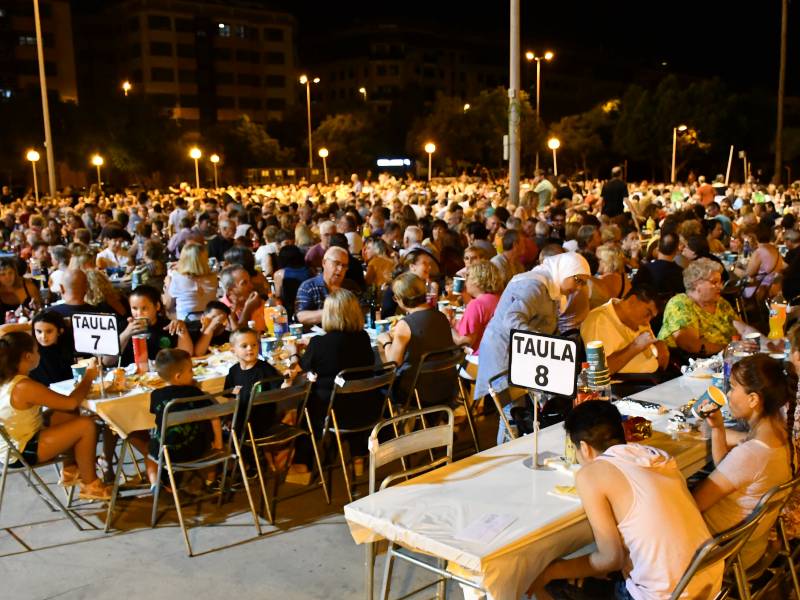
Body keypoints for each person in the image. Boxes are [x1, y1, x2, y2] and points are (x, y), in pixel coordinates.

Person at [528, 401, 722, 600]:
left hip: (667, 595)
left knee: (552, 579)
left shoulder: (591, 474)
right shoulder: (657, 456)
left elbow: (611, 558)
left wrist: (550, 571)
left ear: (584, 448)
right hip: (710, 582)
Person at [693, 354, 794, 568]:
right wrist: (718, 429)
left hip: (720, 553)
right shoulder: (781, 436)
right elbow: (731, 473)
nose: (728, 395)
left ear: (753, 399)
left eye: (732, 387)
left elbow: (695, 504)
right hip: (749, 548)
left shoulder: (752, 454)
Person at [0, 332, 111, 500]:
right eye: (37, 351)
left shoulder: (8, 379)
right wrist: (88, 377)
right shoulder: (23, 386)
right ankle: (91, 484)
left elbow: (67, 406)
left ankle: (70, 469)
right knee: (86, 425)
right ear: (28, 356)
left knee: (68, 413)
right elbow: (71, 401)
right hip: (20, 452)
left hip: (13, 443)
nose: (39, 355)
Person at [475, 252, 591, 401]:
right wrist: (542, 343)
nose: (579, 288)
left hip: (518, 354)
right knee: (513, 411)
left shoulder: (551, 288)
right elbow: (511, 319)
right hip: (504, 352)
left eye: (584, 283)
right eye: (578, 280)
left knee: (520, 411)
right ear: (565, 270)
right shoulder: (534, 286)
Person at [295, 289, 375, 475]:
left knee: (304, 405)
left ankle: (302, 461)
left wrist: (293, 353)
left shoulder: (318, 343)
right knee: (352, 392)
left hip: (333, 411)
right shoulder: (363, 338)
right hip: (365, 407)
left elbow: (302, 367)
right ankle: (357, 455)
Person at [145, 348, 223, 488]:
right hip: (198, 449)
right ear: (178, 376)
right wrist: (218, 443)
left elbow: (154, 416)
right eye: (190, 371)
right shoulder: (195, 392)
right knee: (209, 444)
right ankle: (211, 479)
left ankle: (155, 483)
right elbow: (214, 415)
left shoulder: (155, 395)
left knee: (149, 454)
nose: (193, 374)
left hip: (166, 453)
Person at [378, 273, 456, 408]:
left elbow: (393, 362)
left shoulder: (405, 324)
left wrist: (386, 340)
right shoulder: (441, 316)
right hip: (447, 387)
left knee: (379, 387)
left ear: (400, 298)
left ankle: (400, 427)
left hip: (417, 393)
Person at [658, 258, 756, 360]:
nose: (721, 287)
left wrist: (767, 343)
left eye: (720, 282)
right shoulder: (680, 303)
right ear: (696, 284)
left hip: (727, 358)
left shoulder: (720, 303)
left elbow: (743, 329)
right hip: (693, 365)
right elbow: (690, 344)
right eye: (714, 282)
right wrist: (729, 348)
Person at [581, 285, 670, 375]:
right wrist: (635, 346)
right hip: (626, 385)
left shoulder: (639, 320)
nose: (647, 321)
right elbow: (598, 371)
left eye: (651, 317)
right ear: (632, 300)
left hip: (653, 378)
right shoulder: (598, 320)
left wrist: (659, 344)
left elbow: (650, 343)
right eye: (648, 313)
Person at [224, 328, 282, 455]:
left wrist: (288, 381)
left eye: (254, 345)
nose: (250, 348)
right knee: (224, 431)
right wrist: (230, 417)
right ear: (233, 350)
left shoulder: (265, 369)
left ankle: (251, 465)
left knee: (236, 433)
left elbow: (279, 390)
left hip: (262, 419)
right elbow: (231, 397)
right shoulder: (233, 372)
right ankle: (244, 463)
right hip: (241, 418)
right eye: (244, 346)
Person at [117, 285, 193, 367]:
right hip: (131, 376)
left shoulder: (168, 326)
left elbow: (187, 354)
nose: (139, 313)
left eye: (144, 308)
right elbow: (107, 361)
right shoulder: (124, 326)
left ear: (157, 306)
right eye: (134, 308)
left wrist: (182, 330)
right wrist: (126, 334)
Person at [451, 260, 503, 354]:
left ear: (477, 280)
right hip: (496, 357)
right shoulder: (499, 298)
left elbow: (464, 343)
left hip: (476, 362)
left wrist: (447, 325)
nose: (465, 281)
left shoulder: (477, 304)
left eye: (468, 276)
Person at [295, 246, 348, 326]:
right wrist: (333, 312)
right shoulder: (308, 287)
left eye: (344, 266)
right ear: (324, 263)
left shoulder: (350, 287)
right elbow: (301, 316)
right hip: (317, 335)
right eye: (336, 263)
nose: (340, 269)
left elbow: (362, 310)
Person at [164, 243, 218, 320]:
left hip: (186, 324)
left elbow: (168, 305)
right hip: (209, 322)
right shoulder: (213, 278)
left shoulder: (177, 278)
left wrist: (168, 285)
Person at [28, 310, 75, 385]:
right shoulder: (33, 352)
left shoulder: (70, 344)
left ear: (60, 331)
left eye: (49, 331)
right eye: (39, 331)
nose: (43, 336)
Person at [219, 264, 265, 332]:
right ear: (230, 290)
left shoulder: (257, 302)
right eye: (244, 283)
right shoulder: (221, 309)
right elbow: (238, 337)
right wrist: (247, 310)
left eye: (249, 281)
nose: (251, 286)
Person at [272, 244, 310, 321]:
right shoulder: (310, 271)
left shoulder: (279, 274)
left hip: (288, 311)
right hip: (308, 307)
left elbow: (278, 296)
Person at [0, 256, 40, 322]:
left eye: (10, 273)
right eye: (3, 274)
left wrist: (36, 308)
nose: (8, 277)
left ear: (15, 272)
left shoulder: (28, 286)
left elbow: (40, 311)